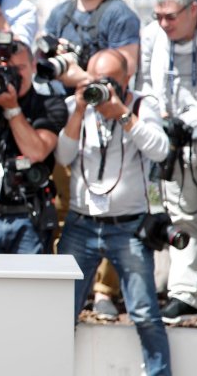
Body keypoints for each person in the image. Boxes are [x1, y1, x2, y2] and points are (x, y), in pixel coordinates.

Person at [56, 49, 171, 375]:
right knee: (62, 311)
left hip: (128, 228)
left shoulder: (140, 105)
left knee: (146, 314)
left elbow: (160, 151)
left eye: (108, 81)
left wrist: (123, 114)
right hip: (81, 225)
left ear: (125, 81)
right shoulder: (77, 105)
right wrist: (78, 111)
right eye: (94, 80)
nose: (100, 88)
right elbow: (63, 157)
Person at [43, 0, 141, 319]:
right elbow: (45, 66)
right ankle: (71, 285)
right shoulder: (60, 14)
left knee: (108, 201)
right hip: (67, 119)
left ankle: (104, 290)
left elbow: (125, 67)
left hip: (107, 123)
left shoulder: (119, 15)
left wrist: (80, 77)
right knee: (66, 208)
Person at [138, 0, 197, 328]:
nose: (164, 24)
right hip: (174, 139)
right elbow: (145, 83)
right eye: (158, 16)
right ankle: (183, 294)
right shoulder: (152, 36)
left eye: (171, 17)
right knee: (180, 217)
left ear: (193, 10)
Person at [0, 38, 67, 254]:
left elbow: (36, 152)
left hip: (29, 215)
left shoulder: (49, 104)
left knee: (29, 287)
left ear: (33, 67)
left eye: (20, 68)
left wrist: (13, 109)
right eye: (6, 69)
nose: (13, 76)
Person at [42, 0, 141, 91]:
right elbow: (38, 61)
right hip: (58, 101)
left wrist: (84, 77)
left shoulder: (121, 16)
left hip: (100, 101)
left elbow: (127, 69)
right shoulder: (59, 13)